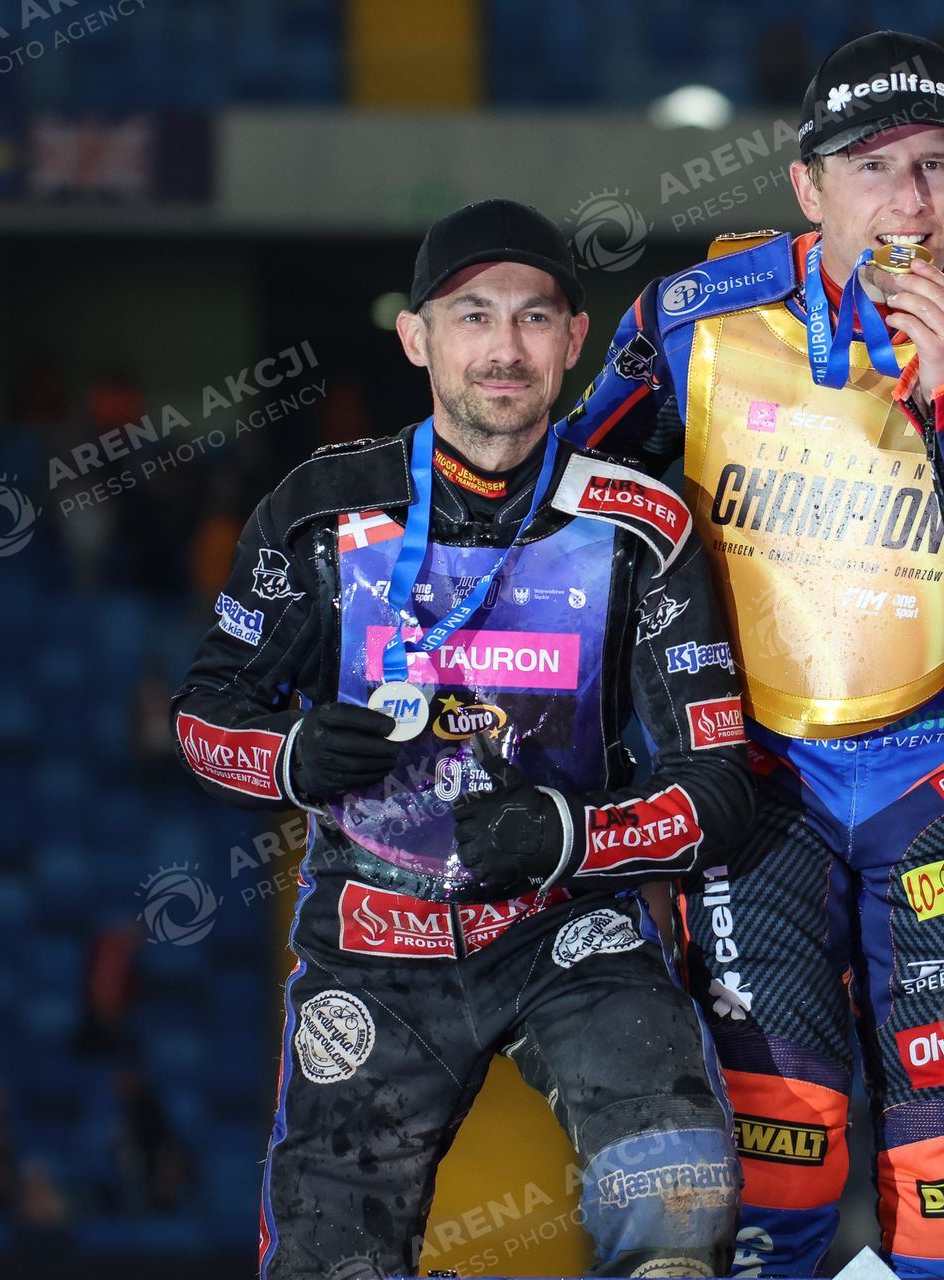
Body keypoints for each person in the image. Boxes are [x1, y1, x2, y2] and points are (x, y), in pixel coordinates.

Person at [557, 31, 944, 1278]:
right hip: (757, 793)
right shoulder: (694, 315)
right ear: (807, 187)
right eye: (872, 167)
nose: (909, 203)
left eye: (936, 166)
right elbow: (569, 530)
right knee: (774, 1177)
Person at [170, 199, 753, 1279]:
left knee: (677, 1187)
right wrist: (294, 754)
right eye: (473, 315)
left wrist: (568, 834)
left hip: (569, 928)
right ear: (417, 337)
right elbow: (204, 717)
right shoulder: (319, 511)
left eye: (534, 318)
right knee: (327, 1263)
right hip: (373, 939)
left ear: (574, 340)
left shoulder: (643, 523)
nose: (504, 348)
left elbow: (718, 791)